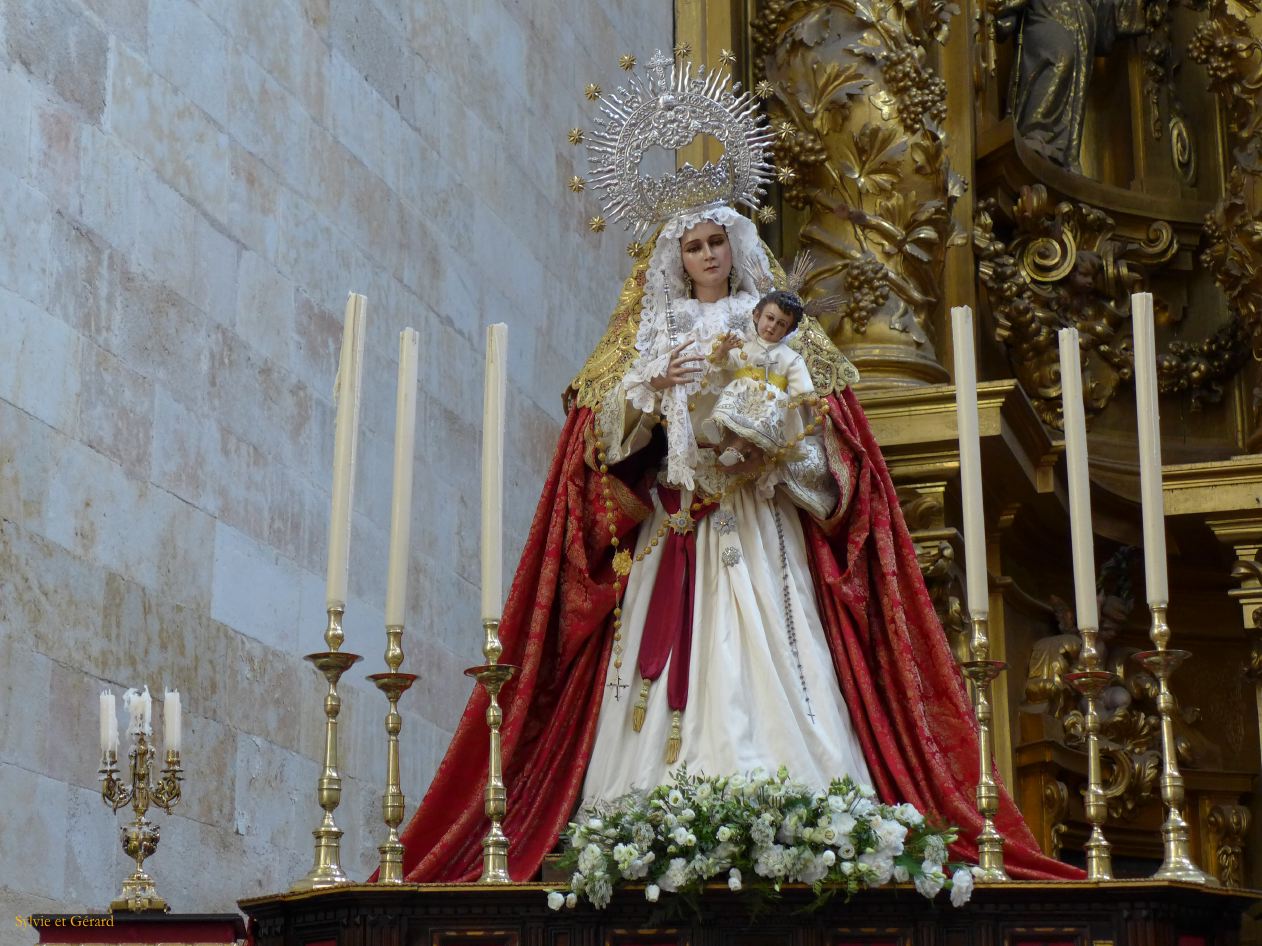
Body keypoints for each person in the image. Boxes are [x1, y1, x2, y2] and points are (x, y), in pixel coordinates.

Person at [393, 50, 1082, 885]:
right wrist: (653, 395)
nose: (708, 254)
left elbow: (838, 467)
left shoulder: (791, 336)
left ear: (739, 245)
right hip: (679, 525)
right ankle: (647, 823)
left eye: (719, 240)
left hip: (760, 525)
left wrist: (776, 452)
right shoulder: (647, 335)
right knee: (661, 677)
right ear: (675, 256)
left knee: (778, 664)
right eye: (693, 243)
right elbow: (601, 453)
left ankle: (805, 812)